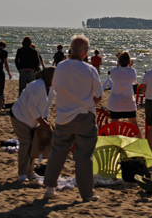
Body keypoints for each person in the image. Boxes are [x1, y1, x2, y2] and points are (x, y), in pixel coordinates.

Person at [43, 35, 102, 202]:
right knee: (84, 156)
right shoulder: (89, 69)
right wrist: (88, 102)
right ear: (85, 52)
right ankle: (87, 194)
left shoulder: (61, 66)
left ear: (71, 49)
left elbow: (55, 87)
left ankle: (50, 187)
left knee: (58, 152)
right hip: (84, 115)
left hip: (64, 116)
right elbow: (99, 95)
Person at [10, 67, 55, 182]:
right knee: (26, 144)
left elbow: (46, 107)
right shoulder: (37, 86)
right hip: (20, 117)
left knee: (33, 144)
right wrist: (41, 121)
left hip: (32, 120)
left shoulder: (50, 89)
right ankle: (22, 174)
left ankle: (30, 172)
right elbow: (31, 106)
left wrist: (45, 119)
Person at [107, 51, 140, 136]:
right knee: (134, 125)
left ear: (119, 61)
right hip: (128, 102)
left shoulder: (114, 70)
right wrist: (129, 67)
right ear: (129, 62)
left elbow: (113, 76)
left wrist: (119, 63)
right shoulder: (132, 71)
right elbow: (134, 81)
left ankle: (114, 143)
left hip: (115, 102)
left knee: (114, 125)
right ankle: (141, 142)